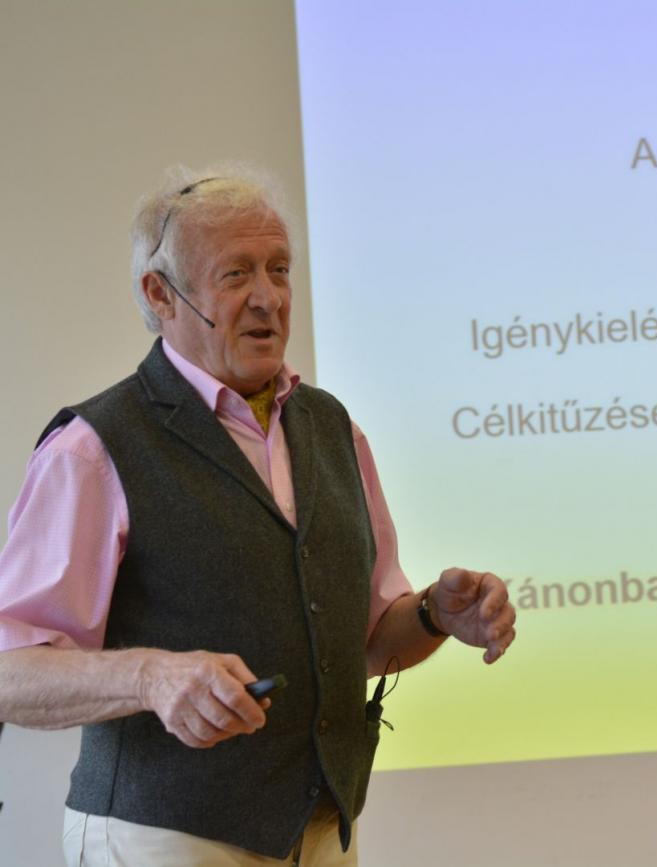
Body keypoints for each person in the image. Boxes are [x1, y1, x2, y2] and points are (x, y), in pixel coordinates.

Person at [0, 165, 516, 865]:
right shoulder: (94, 448)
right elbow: (11, 672)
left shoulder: (333, 428)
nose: (268, 297)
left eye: (279, 269)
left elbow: (364, 643)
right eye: (236, 274)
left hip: (323, 832)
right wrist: (150, 677)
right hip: (164, 837)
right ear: (160, 293)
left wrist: (432, 615)